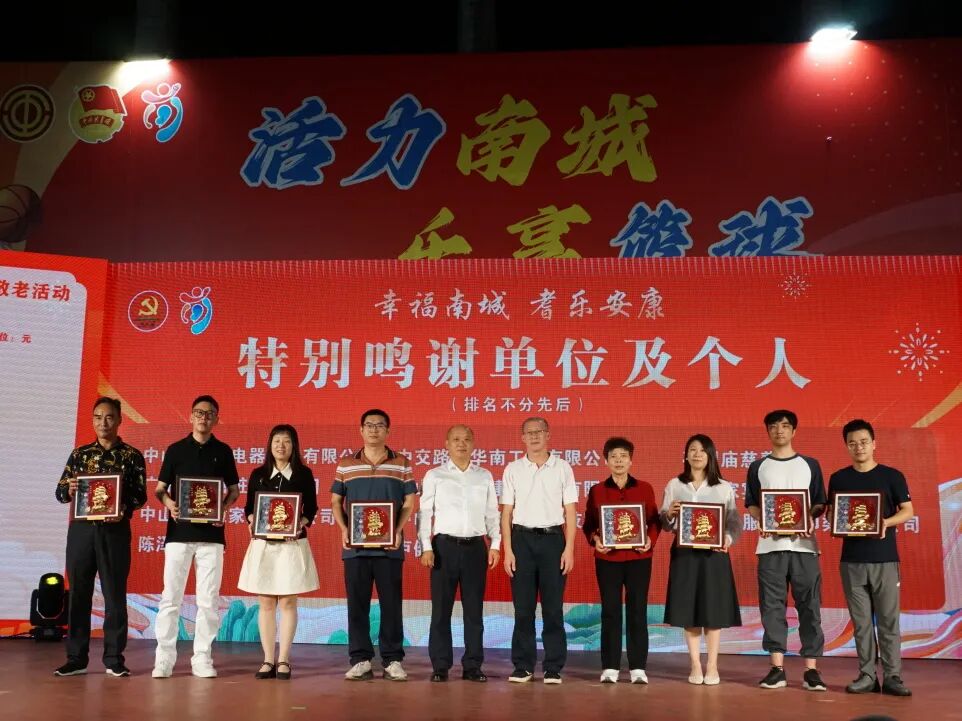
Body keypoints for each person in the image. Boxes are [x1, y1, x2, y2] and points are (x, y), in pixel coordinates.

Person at [53, 397, 147, 677]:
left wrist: (123, 509)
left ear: (119, 420)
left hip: (114, 531)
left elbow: (140, 495)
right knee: (79, 593)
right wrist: (69, 489)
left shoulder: (131, 456)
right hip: (82, 531)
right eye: (97, 417)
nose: (102, 422)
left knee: (114, 594)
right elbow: (60, 493)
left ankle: (114, 658)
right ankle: (76, 658)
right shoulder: (80, 454)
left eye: (108, 417)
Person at [152, 395, 239, 679]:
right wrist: (170, 504)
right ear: (190, 416)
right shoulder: (175, 450)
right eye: (199, 413)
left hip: (212, 537)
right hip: (178, 535)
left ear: (216, 419)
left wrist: (222, 508)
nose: (204, 417)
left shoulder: (223, 452)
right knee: (170, 598)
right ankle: (164, 659)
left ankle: (202, 657)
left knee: (208, 601)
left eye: (210, 413)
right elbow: (160, 489)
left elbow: (234, 490)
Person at [828, 419, 913, 697]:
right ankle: (867, 675)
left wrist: (883, 522)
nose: (859, 447)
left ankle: (893, 676)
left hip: (885, 559)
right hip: (851, 560)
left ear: (874, 443)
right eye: (852, 443)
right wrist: (836, 520)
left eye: (864, 442)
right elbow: (833, 513)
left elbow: (908, 511)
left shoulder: (892, 476)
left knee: (888, 621)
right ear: (846, 446)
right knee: (861, 622)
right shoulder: (839, 478)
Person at [744, 410, 828, 692]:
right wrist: (762, 520)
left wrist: (809, 518)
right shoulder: (758, 466)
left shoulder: (810, 464)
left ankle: (811, 670)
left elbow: (819, 502)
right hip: (770, 547)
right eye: (773, 426)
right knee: (772, 607)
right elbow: (752, 503)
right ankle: (776, 669)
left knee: (810, 606)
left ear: (794, 431)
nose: (779, 431)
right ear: (767, 431)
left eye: (785, 426)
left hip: (805, 547)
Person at [332, 409, 417, 681]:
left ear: (388, 431)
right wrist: (345, 528)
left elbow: (409, 502)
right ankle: (360, 659)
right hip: (355, 548)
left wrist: (398, 530)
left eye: (380, 425)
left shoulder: (401, 463)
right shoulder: (346, 464)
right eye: (369, 425)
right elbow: (336, 500)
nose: (374, 430)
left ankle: (392, 660)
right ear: (361, 430)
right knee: (357, 605)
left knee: (391, 605)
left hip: (389, 548)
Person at [418, 424, 500, 682]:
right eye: (456, 439)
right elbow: (425, 513)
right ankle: (440, 666)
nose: (461, 444)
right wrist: (426, 546)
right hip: (444, 547)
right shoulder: (435, 475)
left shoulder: (484, 476)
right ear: (447, 444)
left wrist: (495, 544)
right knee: (441, 611)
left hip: (475, 547)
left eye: (466, 439)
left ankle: (473, 666)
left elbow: (492, 513)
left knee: (474, 611)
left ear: (473, 443)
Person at [238, 424, 319, 680]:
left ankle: (283, 659)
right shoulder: (258, 474)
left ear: (294, 446)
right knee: (265, 602)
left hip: (291, 546)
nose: (281, 446)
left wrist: (300, 524)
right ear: (269, 445)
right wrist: (252, 520)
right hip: (265, 546)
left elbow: (311, 509)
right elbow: (249, 508)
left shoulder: (303, 474)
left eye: (286, 441)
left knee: (287, 602)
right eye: (276, 441)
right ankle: (267, 660)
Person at [501, 416, 577, 684]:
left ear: (548, 435)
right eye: (529, 432)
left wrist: (569, 549)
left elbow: (570, 512)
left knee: (553, 608)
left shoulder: (563, 468)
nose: (534, 436)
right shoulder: (513, 469)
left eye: (539, 431)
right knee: (523, 609)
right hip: (521, 541)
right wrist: (508, 550)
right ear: (522, 438)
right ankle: (523, 666)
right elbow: (506, 513)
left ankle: (553, 666)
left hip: (553, 540)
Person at [660, 433, 741, 685]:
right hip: (685, 555)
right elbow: (665, 523)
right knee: (689, 610)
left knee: (713, 611)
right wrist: (669, 514)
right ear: (685, 455)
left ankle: (712, 666)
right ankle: (695, 664)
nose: (697, 454)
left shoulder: (723, 487)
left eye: (703, 450)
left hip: (714, 556)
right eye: (692, 449)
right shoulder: (675, 484)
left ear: (711, 456)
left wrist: (727, 539)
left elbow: (733, 523)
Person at [582, 437, 660, 684]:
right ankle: (610, 666)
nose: (618, 461)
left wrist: (650, 540)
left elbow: (654, 521)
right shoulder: (597, 490)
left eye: (623, 456)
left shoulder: (645, 488)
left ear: (631, 460)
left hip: (639, 558)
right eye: (613, 456)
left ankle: (638, 667)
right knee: (610, 611)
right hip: (608, 559)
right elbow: (588, 525)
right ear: (606, 461)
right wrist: (595, 539)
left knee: (638, 610)